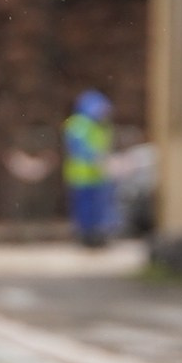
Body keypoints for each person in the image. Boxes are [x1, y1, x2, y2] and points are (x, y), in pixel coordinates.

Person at [62, 91, 116, 247]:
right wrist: (96, 158)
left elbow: (105, 148)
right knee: (84, 209)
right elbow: (79, 148)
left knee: (99, 209)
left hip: (99, 175)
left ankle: (97, 235)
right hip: (81, 176)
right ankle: (85, 237)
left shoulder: (102, 126)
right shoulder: (78, 124)